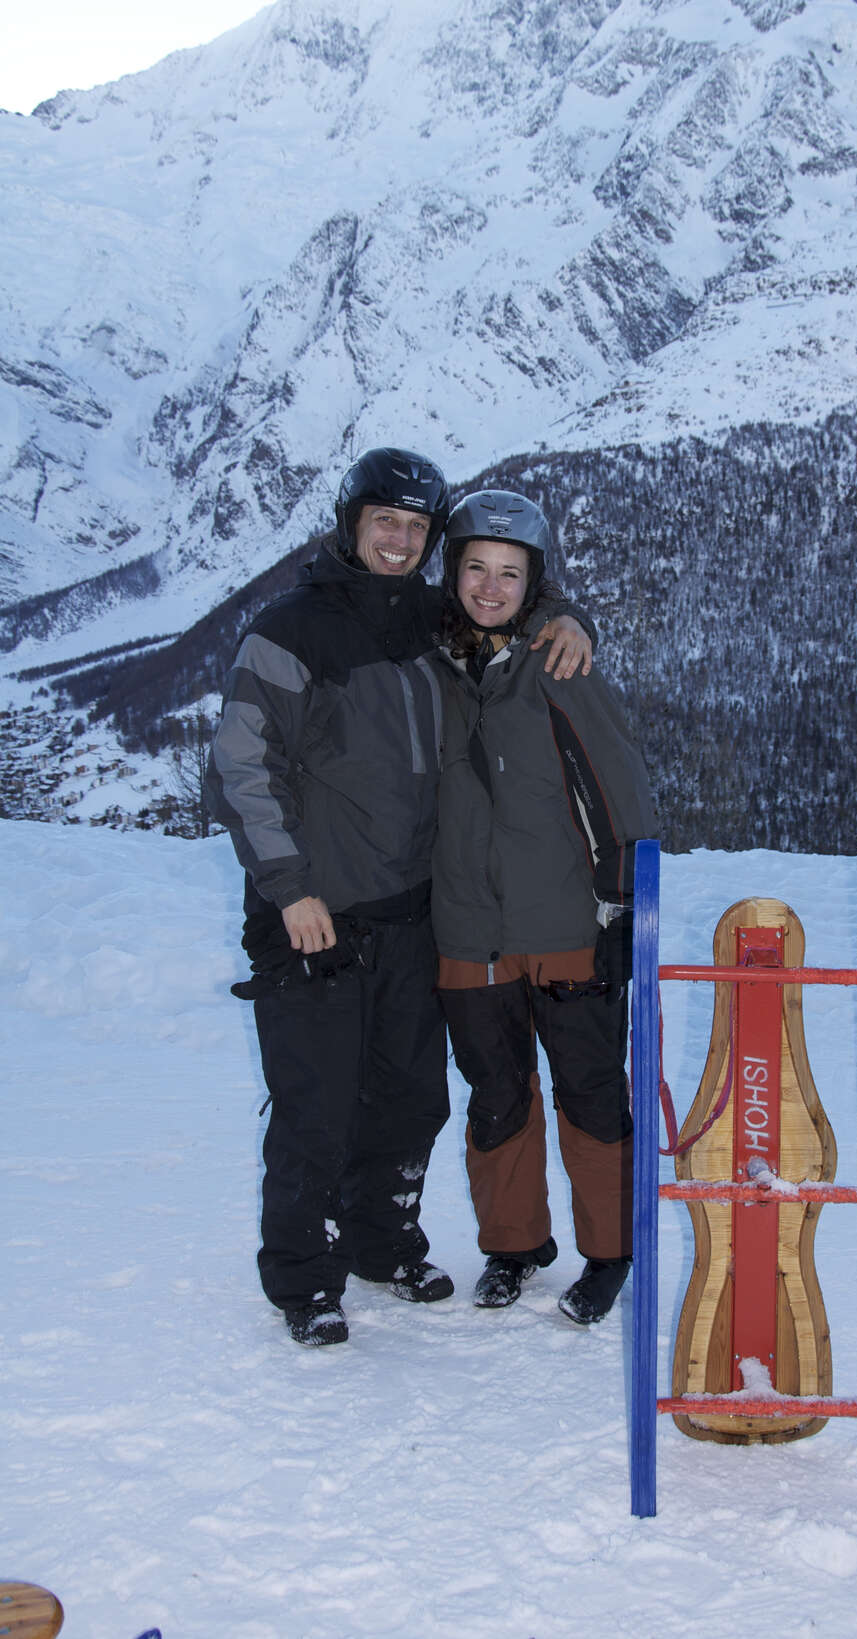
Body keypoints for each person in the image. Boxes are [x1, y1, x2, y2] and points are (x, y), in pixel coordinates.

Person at [207, 450, 593, 1346]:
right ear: (351, 523)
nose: (399, 538)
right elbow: (241, 768)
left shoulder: (430, 619)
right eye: (384, 519)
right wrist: (291, 889)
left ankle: (382, 1244)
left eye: (417, 526)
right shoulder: (292, 630)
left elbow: (510, 602)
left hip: (410, 912)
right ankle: (305, 1277)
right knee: (316, 1107)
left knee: (412, 1096)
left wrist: (569, 618)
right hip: (314, 917)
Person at [432, 490, 656, 1325]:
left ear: (534, 584)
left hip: (564, 922)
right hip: (469, 927)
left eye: (510, 573)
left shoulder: (561, 664)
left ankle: (611, 1250)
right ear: (452, 573)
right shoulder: (429, 667)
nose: (490, 587)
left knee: (588, 1091)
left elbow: (621, 788)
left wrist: (625, 905)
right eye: (476, 568)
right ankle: (514, 1244)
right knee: (496, 1094)